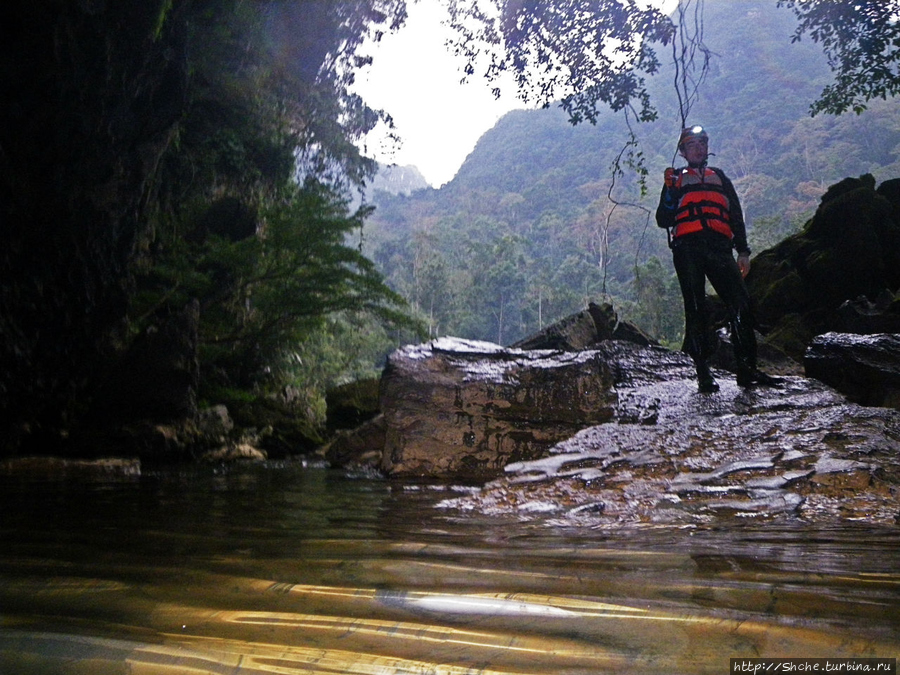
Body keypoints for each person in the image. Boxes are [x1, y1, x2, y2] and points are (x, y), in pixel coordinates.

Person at [656, 125, 778, 392]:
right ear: (683, 152)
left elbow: (735, 215)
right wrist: (668, 192)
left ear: (707, 148)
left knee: (741, 303)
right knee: (696, 308)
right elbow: (663, 220)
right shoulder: (675, 179)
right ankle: (703, 373)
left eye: (701, 144)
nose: (698, 148)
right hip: (688, 249)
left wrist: (743, 251)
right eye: (692, 145)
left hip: (719, 248)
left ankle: (747, 369)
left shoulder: (720, 178)